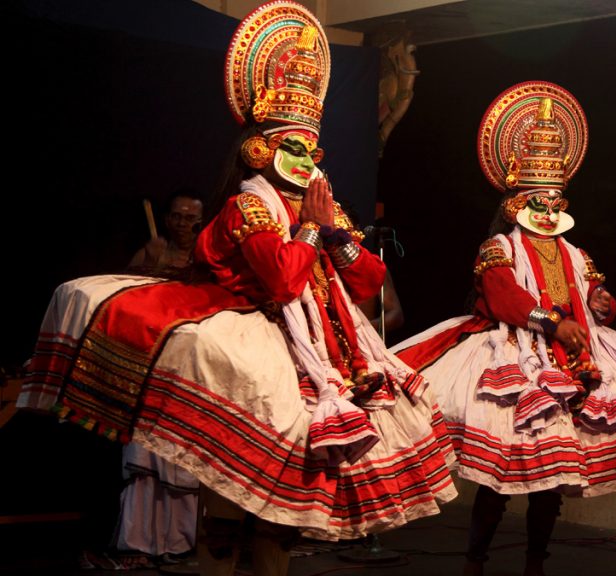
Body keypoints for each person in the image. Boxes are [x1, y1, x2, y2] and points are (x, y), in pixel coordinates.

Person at [19, 3, 455, 576]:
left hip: (322, 358)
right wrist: (308, 229)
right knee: (233, 512)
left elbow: (371, 282)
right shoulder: (246, 207)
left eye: (310, 149)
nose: (305, 159)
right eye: (292, 147)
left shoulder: (323, 207)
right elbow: (281, 279)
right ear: (260, 148)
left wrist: (332, 232)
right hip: (253, 360)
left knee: (277, 518)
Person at [392, 81, 616, 576]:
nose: (550, 208)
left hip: (577, 360)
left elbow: (598, 295)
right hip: (515, 358)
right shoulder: (500, 248)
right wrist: (554, 323)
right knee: (502, 474)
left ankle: (536, 562)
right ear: (518, 201)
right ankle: (475, 559)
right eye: (540, 199)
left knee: (552, 479)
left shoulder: (576, 253)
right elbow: (504, 298)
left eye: (556, 199)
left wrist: (601, 303)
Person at [128, 193, 203, 274]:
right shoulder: (146, 255)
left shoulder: (209, 259)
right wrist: (149, 263)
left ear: (202, 223)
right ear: (167, 220)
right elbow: (127, 283)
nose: (182, 223)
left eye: (190, 218)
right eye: (176, 216)